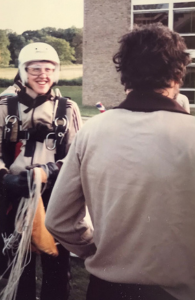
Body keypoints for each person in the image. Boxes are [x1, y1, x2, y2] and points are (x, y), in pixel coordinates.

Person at [45, 23, 195, 300]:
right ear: (178, 75)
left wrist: (96, 250)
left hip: (107, 288)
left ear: (124, 76)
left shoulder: (92, 130)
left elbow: (58, 220)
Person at [0, 42, 82, 300]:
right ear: (23, 71)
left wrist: (51, 170)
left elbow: (76, 156)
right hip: (14, 194)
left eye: (49, 69)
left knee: (57, 264)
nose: (43, 75)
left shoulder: (67, 109)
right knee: (16, 261)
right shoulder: (5, 106)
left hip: (54, 193)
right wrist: (6, 178)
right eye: (35, 68)